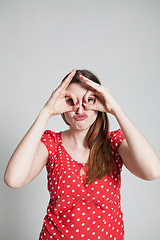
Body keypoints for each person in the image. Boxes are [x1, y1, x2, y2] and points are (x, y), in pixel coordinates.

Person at [4, 69, 160, 240]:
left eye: (89, 100)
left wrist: (115, 109)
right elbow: (14, 179)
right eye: (70, 101)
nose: (79, 108)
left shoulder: (114, 142)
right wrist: (46, 112)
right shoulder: (52, 143)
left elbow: (152, 171)